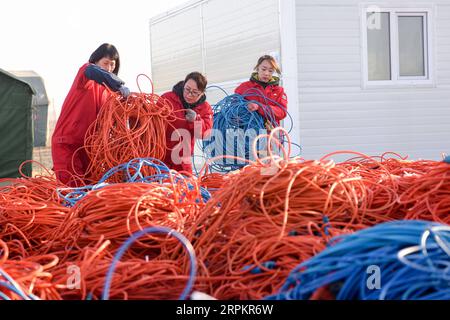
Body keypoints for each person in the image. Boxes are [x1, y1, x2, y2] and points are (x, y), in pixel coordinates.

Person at [52, 43, 130, 186]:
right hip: (67, 144)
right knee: (73, 191)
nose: (109, 68)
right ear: (95, 61)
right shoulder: (85, 77)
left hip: (89, 149)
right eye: (105, 63)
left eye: (112, 65)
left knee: (90, 191)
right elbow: (92, 71)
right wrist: (118, 85)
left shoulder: (109, 93)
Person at [162, 72, 213, 174]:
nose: (189, 95)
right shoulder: (167, 98)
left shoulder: (205, 108)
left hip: (183, 160)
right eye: (187, 89)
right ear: (183, 85)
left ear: (202, 93)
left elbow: (205, 134)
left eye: (195, 92)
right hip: (162, 156)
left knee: (185, 186)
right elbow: (151, 121)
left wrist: (196, 120)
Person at [235, 55, 288, 130]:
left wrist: (259, 107)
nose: (266, 73)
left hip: (271, 135)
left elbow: (282, 112)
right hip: (248, 135)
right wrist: (244, 108)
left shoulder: (279, 91)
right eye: (263, 69)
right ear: (257, 68)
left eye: (270, 71)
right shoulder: (243, 87)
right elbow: (233, 109)